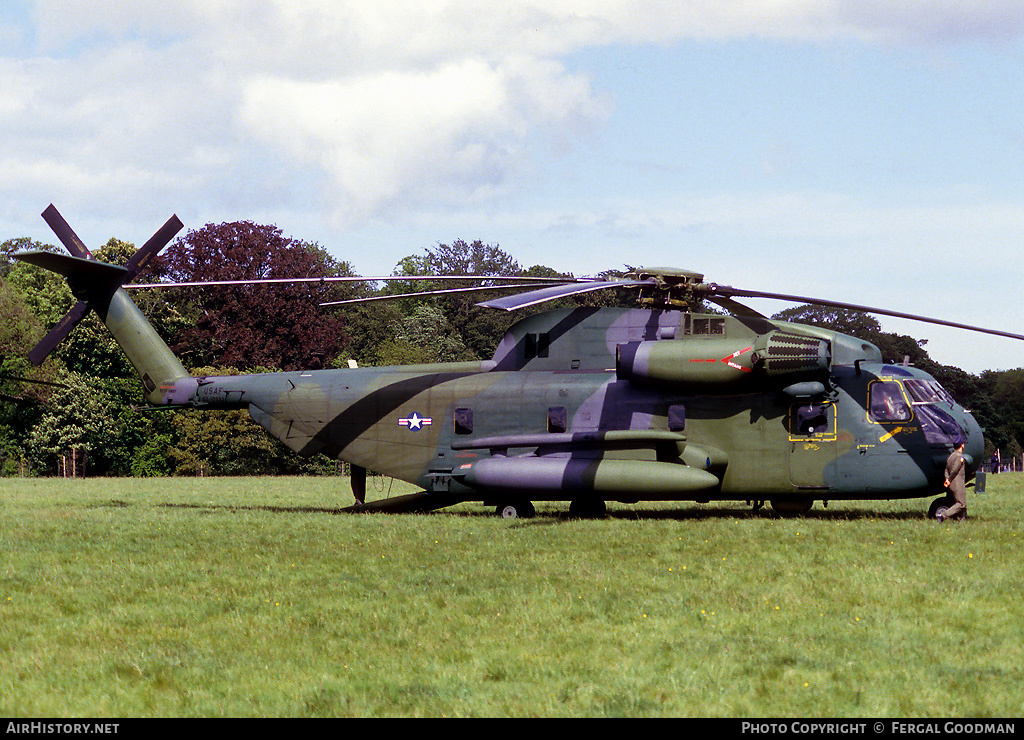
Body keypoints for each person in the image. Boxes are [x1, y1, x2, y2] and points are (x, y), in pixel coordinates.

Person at [939, 440, 967, 522]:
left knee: (961, 501)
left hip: (951, 483)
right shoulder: (959, 457)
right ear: (962, 445)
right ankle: (944, 515)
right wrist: (950, 479)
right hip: (958, 483)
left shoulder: (950, 456)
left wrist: (947, 479)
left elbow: (946, 470)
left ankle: (962, 520)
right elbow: (955, 470)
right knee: (961, 503)